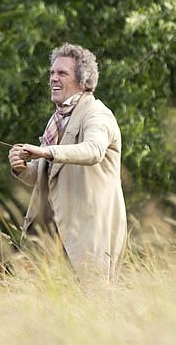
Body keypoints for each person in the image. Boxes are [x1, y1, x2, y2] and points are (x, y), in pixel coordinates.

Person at [8, 43, 127, 284]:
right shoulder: (58, 118)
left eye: (62, 73)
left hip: (86, 238)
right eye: (52, 73)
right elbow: (50, 175)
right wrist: (21, 167)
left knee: (90, 313)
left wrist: (45, 151)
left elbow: (93, 150)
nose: (53, 78)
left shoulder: (96, 113)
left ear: (83, 81)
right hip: (50, 238)